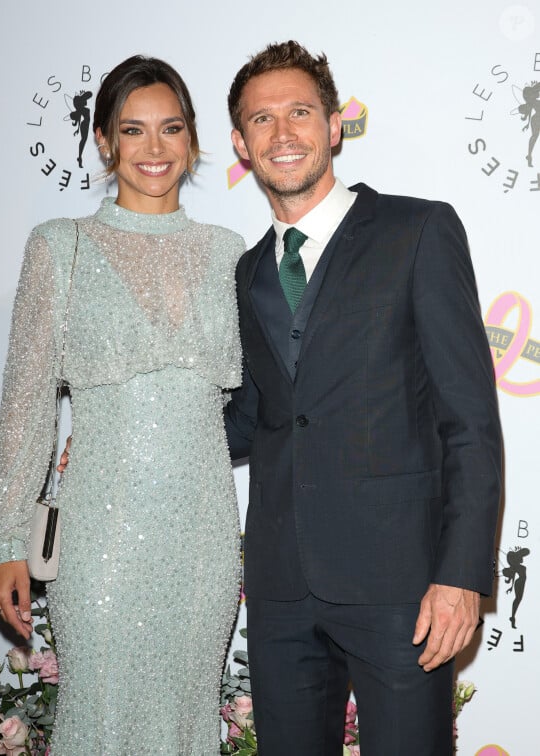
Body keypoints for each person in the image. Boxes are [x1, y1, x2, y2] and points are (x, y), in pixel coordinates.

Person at [224, 41, 502, 755]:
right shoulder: (246, 272)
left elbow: (468, 422)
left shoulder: (417, 231)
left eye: (299, 113)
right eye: (262, 120)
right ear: (240, 143)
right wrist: (129, 432)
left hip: (400, 586)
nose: (282, 134)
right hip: (282, 586)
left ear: (334, 125)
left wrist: (461, 575)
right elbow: (253, 420)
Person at [0, 55, 244, 755]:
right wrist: (7, 541)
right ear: (102, 141)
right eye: (133, 130)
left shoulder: (228, 255)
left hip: (204, 541)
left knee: (188, 723)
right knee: (100, 719)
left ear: (192, 141)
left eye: (171, 129)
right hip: (102, 538)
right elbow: (26, 401)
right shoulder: (59, 248)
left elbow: (255, 408)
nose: (154, 150)